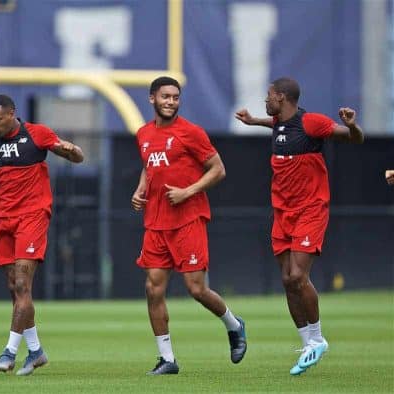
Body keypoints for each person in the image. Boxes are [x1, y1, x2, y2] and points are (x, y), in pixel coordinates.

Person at [0, 94, 84, 376]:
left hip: (32, 216)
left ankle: (9, 352)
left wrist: (71, 150)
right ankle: (35, 351)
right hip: (3, 218)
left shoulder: (37, 134)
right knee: (14, 288)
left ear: (12, 114)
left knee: (22, 285)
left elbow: (77, 157)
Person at [235, 77, 364, 375]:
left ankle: (318, 339)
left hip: (310, 209)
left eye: (269, 97)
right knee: (286, 280)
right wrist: (255, 121)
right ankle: (307, 344)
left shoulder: (313, 122)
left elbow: (354, 139)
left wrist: (353, 125)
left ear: (281, 97)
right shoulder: (279, 121)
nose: (265, 101)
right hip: (283, 213)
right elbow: (279, 128)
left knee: (297, 275)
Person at [131, 76, 247, 375]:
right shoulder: (143, 133)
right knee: (153, 289)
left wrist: (188, 191)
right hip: (156, 222)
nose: (171, 101)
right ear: (152, 99)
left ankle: (234, 326)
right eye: (165, 96)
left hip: (188, 219)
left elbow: (218, 169)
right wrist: (140, 189)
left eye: (175, 97)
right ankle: (167, 359)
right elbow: (149, 164)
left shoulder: (191, 132)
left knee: (196, 289)